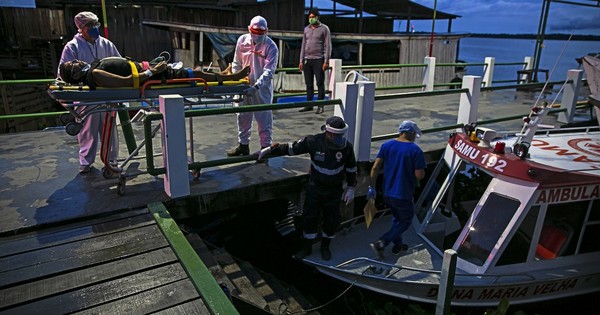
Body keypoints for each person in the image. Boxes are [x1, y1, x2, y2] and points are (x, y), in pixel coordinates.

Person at [257, 116, 357, 261]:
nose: (339, 139)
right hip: (314, 189)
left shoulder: (347, 147)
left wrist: (351, 188)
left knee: (331, 221)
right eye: (336, 135)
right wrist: (270, 150)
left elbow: (351, 168)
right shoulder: (314, 141)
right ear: (328, 132)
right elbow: (291, 148)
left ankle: (325, 247)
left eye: (341, 135)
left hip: (334, 191)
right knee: (309, 219)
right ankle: (307, 247)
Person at [58, 11, 121, 174]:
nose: (94, 28)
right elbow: (63, 71)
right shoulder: (72, 47)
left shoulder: (106, 44)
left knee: (109, 129)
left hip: (108, 94)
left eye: (96, 25)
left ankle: (111, 160)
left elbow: (120, 63)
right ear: (82, 28)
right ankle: (86, 161)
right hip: (86, 96)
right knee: (88, 130)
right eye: (91, 26)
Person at [367, 120, 426, 259]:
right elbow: (420, 175)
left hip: (387, 192)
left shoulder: (386, 146)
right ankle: (382, 242)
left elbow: (375, 167)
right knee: (405, 221)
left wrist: (372, 186)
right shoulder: (415, 150)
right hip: (403, 193)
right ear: (411, 133)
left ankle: (398, 245)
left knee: (396, 218)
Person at [227, 16, 279, 157]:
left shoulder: (271, 46)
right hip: (242, 86)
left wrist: (256, 86)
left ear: (266, 32)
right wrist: (237, 79)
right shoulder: (242, 41)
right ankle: (243, 146)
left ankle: (265, 150)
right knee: (242, 117)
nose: (256, 35)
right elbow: (236, 63)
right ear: (249, 30)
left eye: (259, 33)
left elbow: (269, 71)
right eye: (254, 32)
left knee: (264, 120)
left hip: (261, 90)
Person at [59, 57, 250, 88]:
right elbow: (126, 82)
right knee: (194, 74)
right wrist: (152, 72)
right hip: (153, 76)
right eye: (73, 64)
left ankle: (224, 75)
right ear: (75, 75)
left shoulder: (93, 70)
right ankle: (230, 77)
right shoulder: (94, 74)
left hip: (150, 69)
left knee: (193, 71)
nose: (77, 61)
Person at [298, 8, 331, 114]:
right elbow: (303, 45)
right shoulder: (306, 29)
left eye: (313, 17)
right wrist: (301, 60)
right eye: (309, 17)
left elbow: (328, 45)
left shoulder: (324, 29)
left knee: (320, 83)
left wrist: (326, 61)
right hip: (307, 59)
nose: (311, 19)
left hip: (319, 59)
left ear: (317, 17)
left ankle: (320, 105)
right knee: (309, 84)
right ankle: (309, 104)